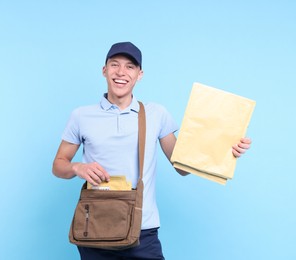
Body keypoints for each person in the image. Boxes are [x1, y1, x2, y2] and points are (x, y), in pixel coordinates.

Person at [52, 41, 252, 260]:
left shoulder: (156, 114)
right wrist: (77, 167)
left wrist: (226, 149)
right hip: (97, 228)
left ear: (140, 74)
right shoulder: (81, 116)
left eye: (130, 67)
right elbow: (59, 164)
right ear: (104, 70)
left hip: (143, 230)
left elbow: (182, 167)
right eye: (114, 65)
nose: (121, 72)